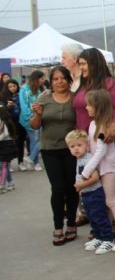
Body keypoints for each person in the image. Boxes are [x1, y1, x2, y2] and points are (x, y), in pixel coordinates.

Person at [30, 67, 78, 245]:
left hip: (72, 150)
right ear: (51, 81)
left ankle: (71, 223)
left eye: (63, 78)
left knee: (72, 188)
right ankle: (58, 227)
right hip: (50, 149)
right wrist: (38, 114)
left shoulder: (75, 99)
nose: (60, 82)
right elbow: (35, 125)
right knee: (58, 189)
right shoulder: (44, 98)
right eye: (56, 79)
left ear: (69, 79)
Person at [81, 89, 115, 252]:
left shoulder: (103, 126)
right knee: (105, 202)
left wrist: (86, 170)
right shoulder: (94, 124)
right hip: (100, 167)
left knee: (111, 201)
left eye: (89, 105)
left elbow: (101, 151)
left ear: (98, 106)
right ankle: (104, 235)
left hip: (108, 167)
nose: (86, 108)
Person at [66, 129, 115, 254]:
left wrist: (80, 185)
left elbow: (95, 177)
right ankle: (99, 237)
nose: (76, 149)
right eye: (72, 146)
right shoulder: (79, 159)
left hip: (94, 193)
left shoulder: (88, 159)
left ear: (87, 146)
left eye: (79, 145)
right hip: (86, 193)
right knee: (92, 217)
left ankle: (108, 239)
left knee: (99, 216)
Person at [19, 70, 46, 171]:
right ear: (36, 78)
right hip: (29, 119)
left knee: (37, 140)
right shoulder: (24, 89)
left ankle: (32, 160)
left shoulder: (41, 89)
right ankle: (34, 161)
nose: (43, 81)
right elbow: (24, 105)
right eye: (42, 78)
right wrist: (30, 117)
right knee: (36, 140)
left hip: (40, 118)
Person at [0, 79, 25, 173]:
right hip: (9, 123)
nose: (13, 88)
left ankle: (21, 161)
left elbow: (23, 107)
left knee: (20, 142)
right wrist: (7, 107)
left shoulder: (20, 96)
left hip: (20, 122)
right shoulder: (3, 97)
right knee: (8, 144)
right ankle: (8, 163)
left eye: (14, 86)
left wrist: (16, 106)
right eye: (10, 86)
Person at [0, 106, 16, 193]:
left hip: (6, 145)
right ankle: (10, 182)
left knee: (3, 165)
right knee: (4, 165)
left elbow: (5, 134)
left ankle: (2, 185)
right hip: (3, 145)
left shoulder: (4, 122)